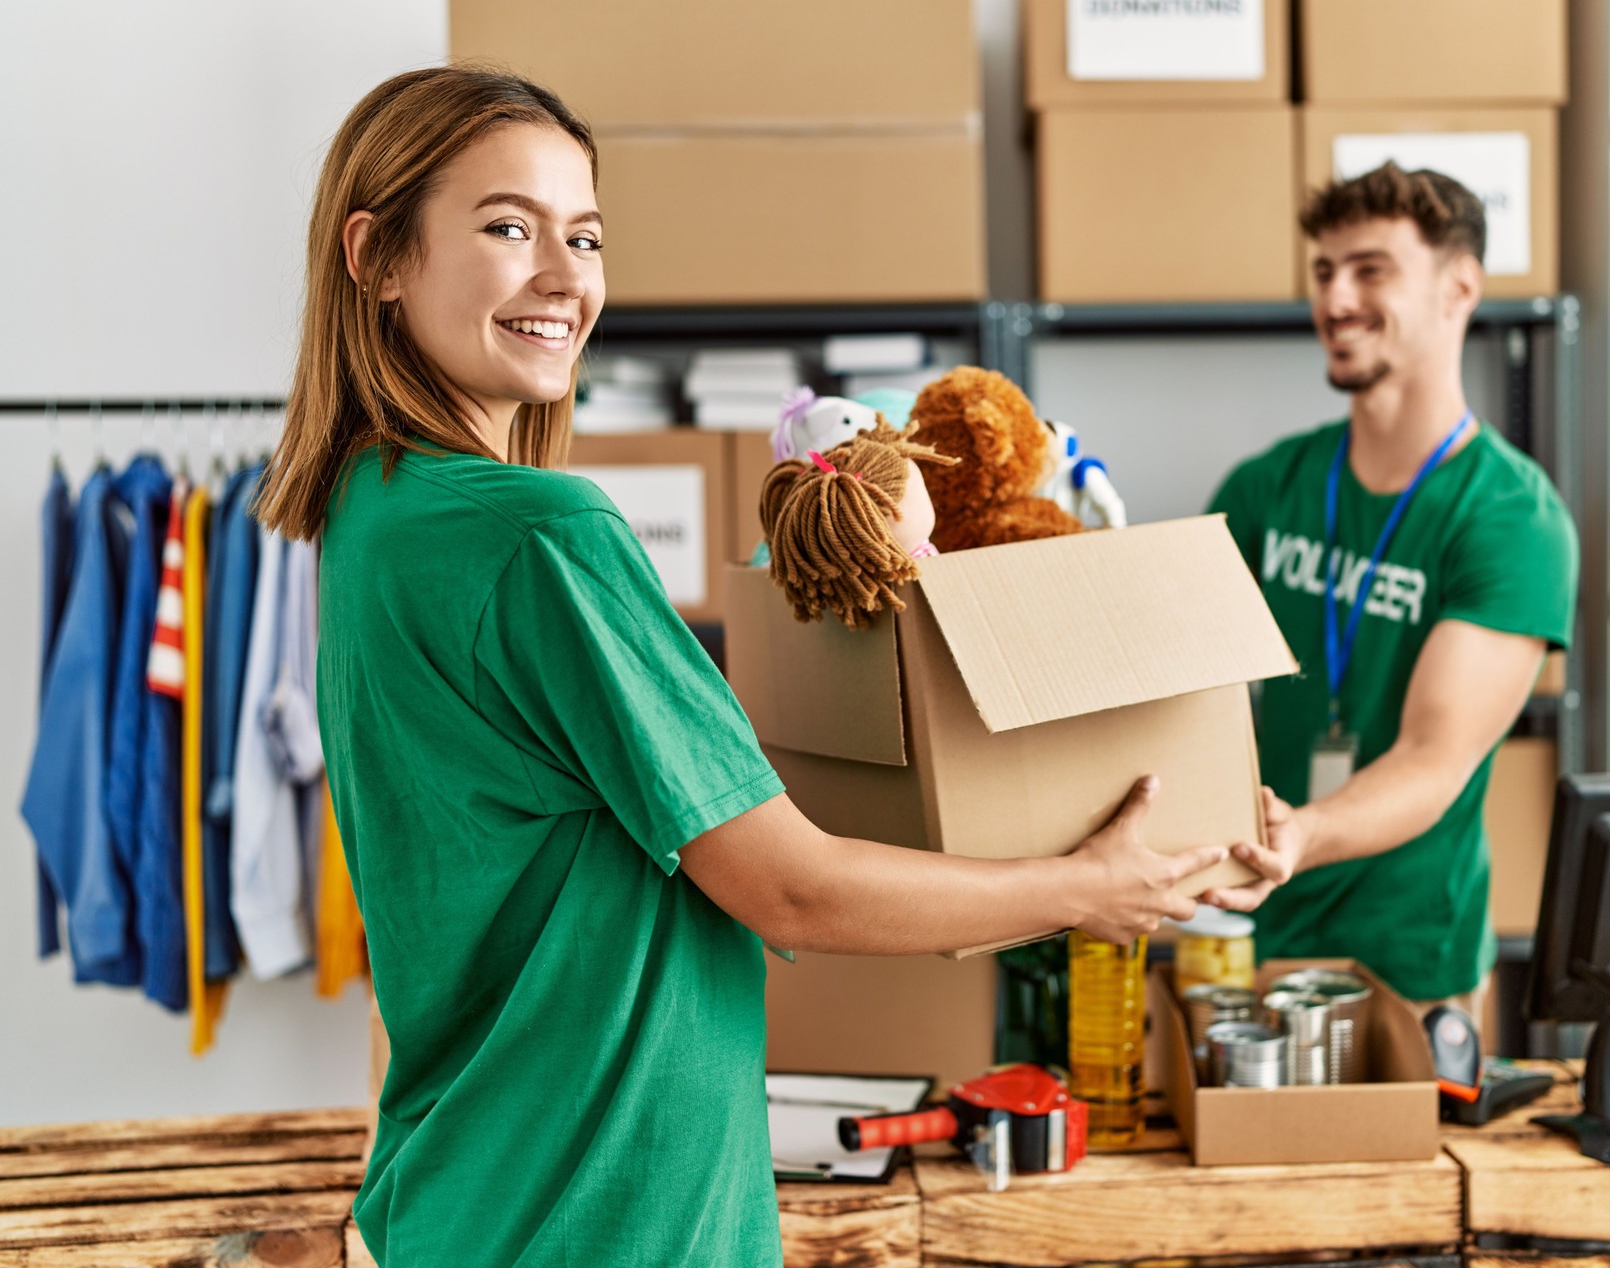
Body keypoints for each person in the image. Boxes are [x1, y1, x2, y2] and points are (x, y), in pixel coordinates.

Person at [253, 65, 1236, 1268]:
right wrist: (1089, 884)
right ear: (379, 254)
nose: (567, 277)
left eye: (587, 235)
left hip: (460, 1200)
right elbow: (793, 888)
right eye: (509, 227)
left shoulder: (371, 517)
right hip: (609, 1223)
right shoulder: (540, 535)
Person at [1202, 164, 1579, 1020]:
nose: (1336, 300)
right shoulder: (1267, 488)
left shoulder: (1511, 518)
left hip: (1411, 966)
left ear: (1459, 287)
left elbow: (1433, 757)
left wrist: (1302, 834)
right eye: (1325, 272)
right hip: (1247, 937)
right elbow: (1175, 685)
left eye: (1371, 270)